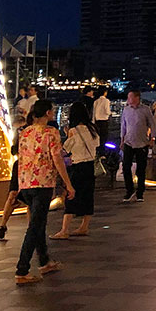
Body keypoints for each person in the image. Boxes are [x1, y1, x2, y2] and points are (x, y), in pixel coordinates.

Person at [14, 99, 75, 285]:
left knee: (37, 222)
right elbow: (57, 158)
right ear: (48, 113)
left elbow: (21, 156)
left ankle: (44, 261)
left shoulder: (25, 132)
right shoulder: (51, 132)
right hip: (43, 182)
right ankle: (22, 269)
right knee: (34, 227)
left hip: (26, 182)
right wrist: (68, 184)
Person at [52, 102, 98, 238]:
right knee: (88, 195)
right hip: (90, 166)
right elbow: (97, 145)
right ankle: (84, 226)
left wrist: (67, 135)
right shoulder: (93, 129)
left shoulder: (73, 131)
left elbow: (66, 149)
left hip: (78, 166)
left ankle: (65, 230)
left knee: (71, 196)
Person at [119, 90, 156, 202]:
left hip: (142, 143)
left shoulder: (145, 110)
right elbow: (123, 125)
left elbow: (152, 124)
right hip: (128, 142)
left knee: (141, 168)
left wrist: (152, 138)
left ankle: (140, 192)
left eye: (130, 97)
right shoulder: (126, 110)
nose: (128, 99)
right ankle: (129, 190)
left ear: (136, 98)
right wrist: (122, 139)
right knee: (126, 167)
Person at [0, 129, 22, 241]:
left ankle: (32, 228)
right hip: (23, 164)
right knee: (12, 195)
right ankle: (2, 225)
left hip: (28, 165)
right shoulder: (22, 131)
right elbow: (14, 149)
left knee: (28, 198)